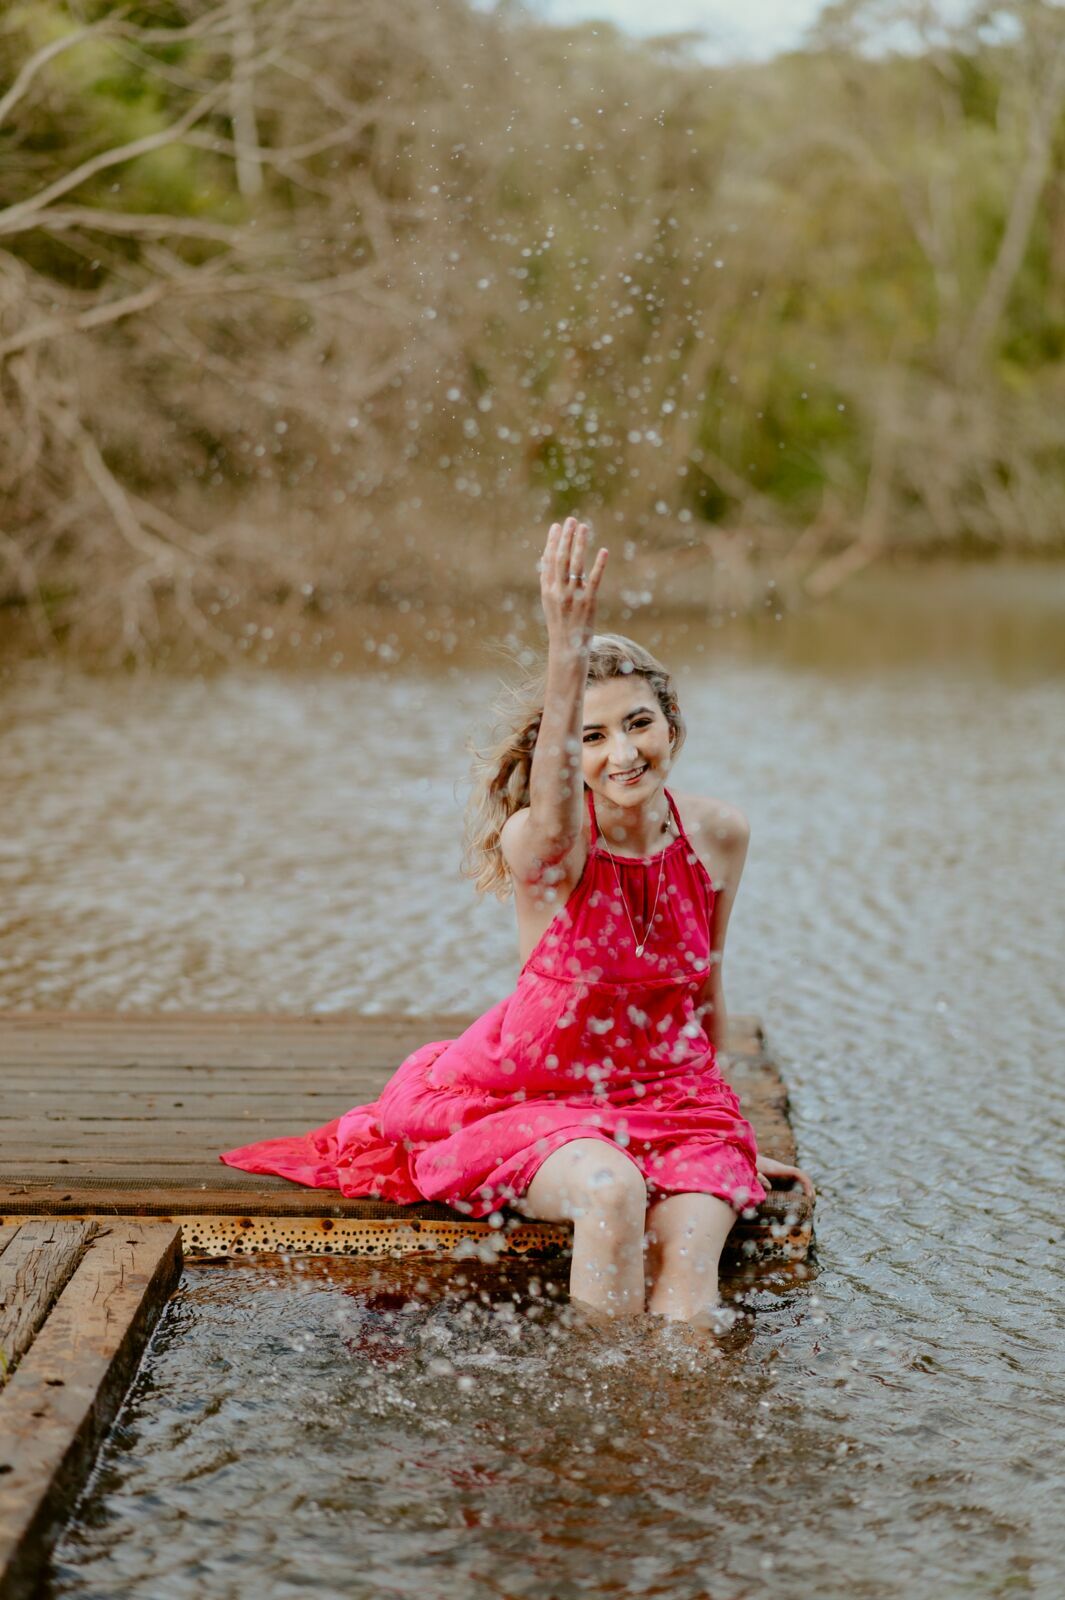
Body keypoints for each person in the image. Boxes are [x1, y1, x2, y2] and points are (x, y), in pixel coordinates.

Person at [220, 517, 813, 1322]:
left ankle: (673, 1434)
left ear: (671, 723)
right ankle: (584, 1430)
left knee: (691, 1261)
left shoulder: (718, 834)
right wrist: (564, 649)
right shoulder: (548, 846)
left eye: (638, 722)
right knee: (612, 1193)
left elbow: (704, 990)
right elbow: (557, 803)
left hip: (675, 1101)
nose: (624, 753)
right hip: (535, 1097)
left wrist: (728, 1127)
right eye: (592, 737)